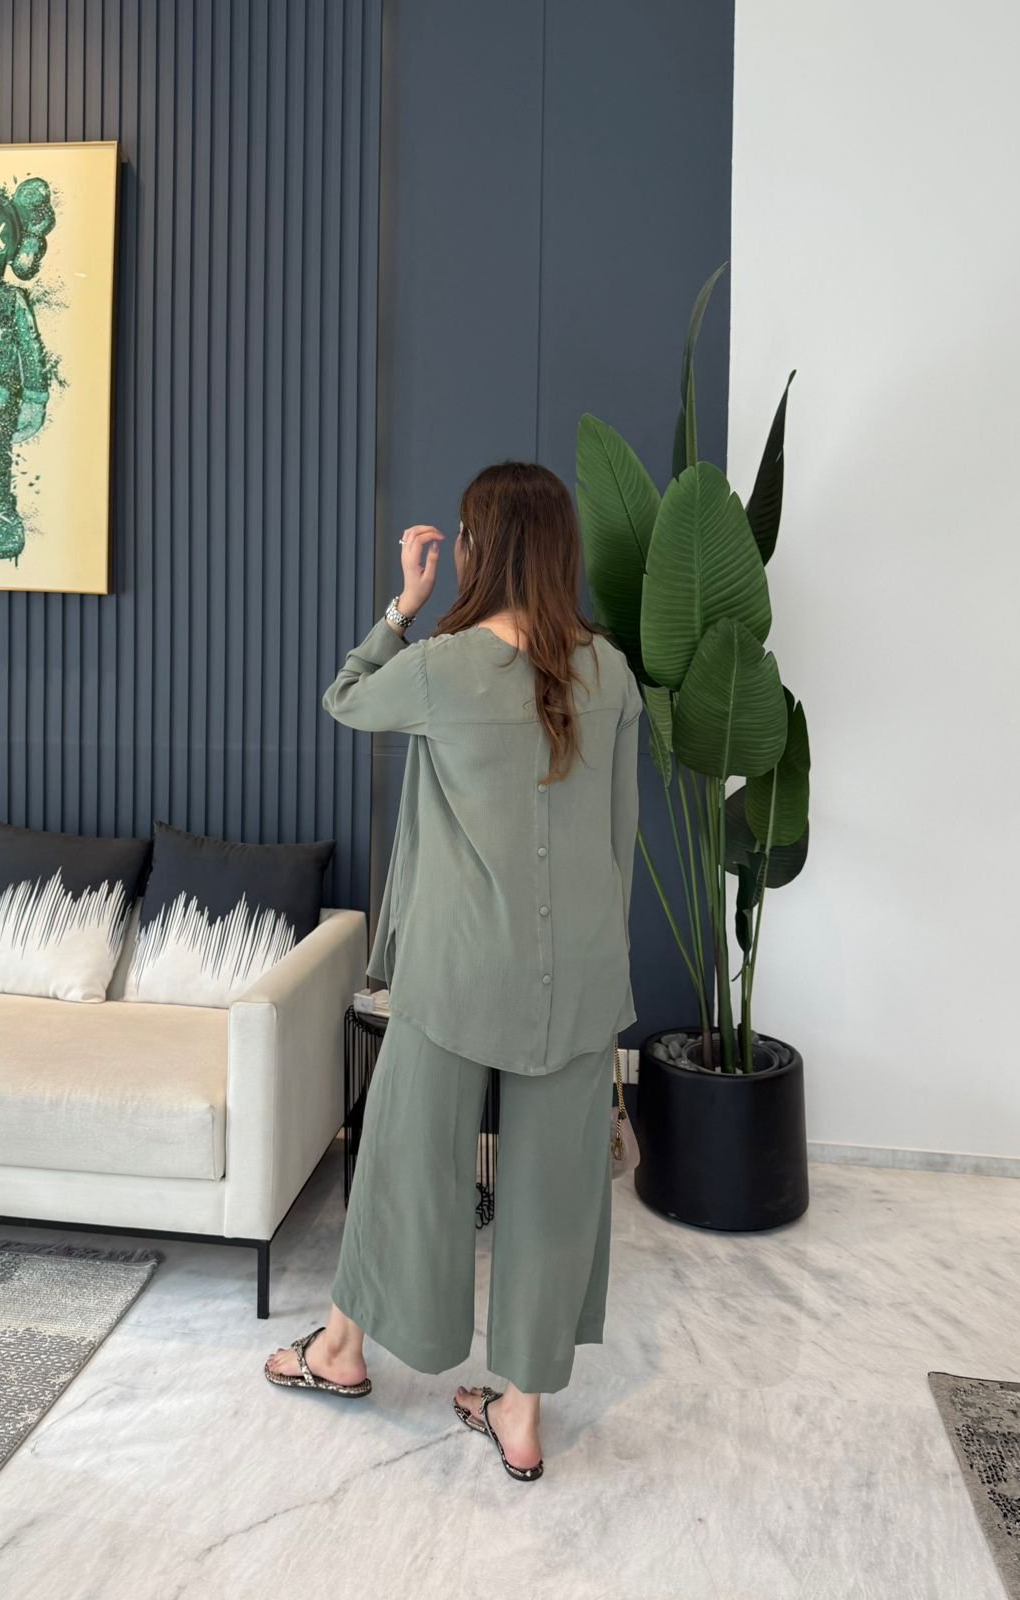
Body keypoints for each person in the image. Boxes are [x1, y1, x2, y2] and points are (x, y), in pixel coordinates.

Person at [264, 460, 642, 1482]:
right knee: (555, 1190)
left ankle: (342, 1352)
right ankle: (520, 1414)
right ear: (560, 550)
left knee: (405, 1163)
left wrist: (404, 603)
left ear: (477, 548)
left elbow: (344, 697)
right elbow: (619, 836)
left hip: (457, 968)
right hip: (580, 972)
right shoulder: (611, 674)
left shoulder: (441, 666)